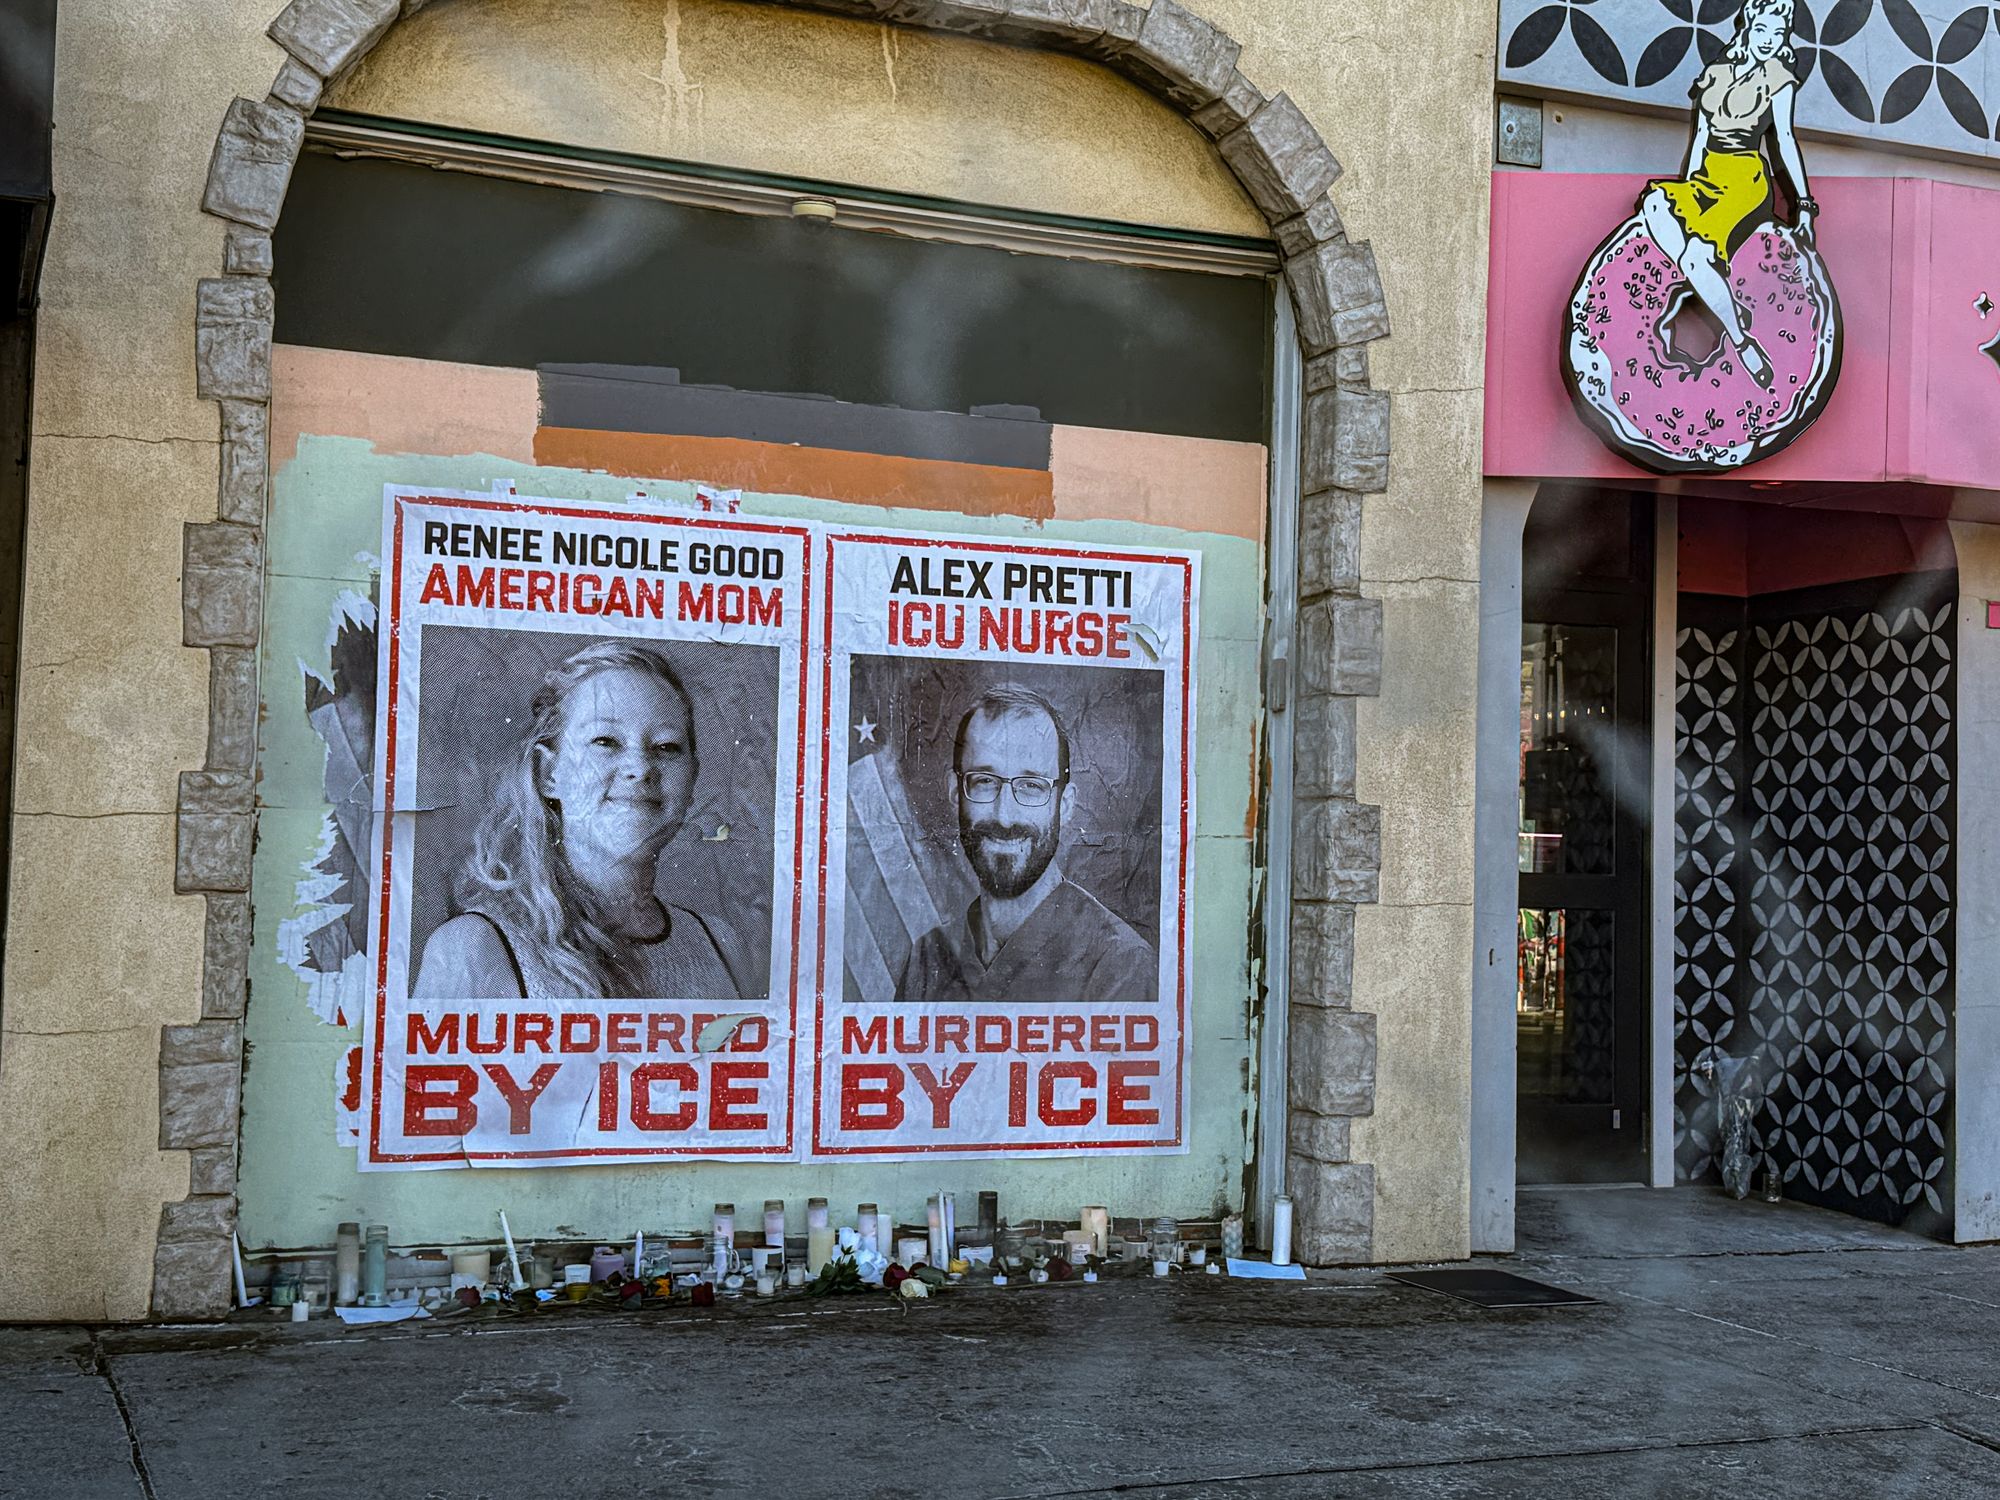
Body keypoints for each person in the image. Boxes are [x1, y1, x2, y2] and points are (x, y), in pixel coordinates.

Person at [413, 640, 742, 1001]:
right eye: (606, 741)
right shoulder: (475, 950)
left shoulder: (721, 944)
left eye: (667, 747)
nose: (641, 768)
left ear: (692, 776)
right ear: (549, 773)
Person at [895, 686, 1156, 1004]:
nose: (1004, 817)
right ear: (955, 792)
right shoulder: (928, 958)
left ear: (1065, 804)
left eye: (1032, 786)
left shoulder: (1119, 965)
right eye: (984, 781)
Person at [1636, 0, 1816, 392]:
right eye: (1764, 30)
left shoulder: (1779, 78)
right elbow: (1700, 137)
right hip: (1707, 176)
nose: (1769, 40)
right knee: (1655, 206)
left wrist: (1803, 204)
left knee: (1697, 256)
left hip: (1744, 178)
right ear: (1748, 26)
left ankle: (1741, 341)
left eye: (1778, 34)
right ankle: (1705, 279)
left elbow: (1784, 140)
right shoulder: (1715, 74)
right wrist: (1688, 188)